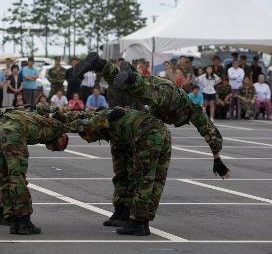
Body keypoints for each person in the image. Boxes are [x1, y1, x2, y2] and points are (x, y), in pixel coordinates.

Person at [72, 52, 231, 221]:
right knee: (146, 92)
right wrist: (217, 158)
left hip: (156, 84)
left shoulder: (159, 104)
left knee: (129, 86)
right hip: (170, 97)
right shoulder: (192, 108)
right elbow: (210, 131)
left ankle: (101, 65)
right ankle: (131, 77)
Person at [69, 108, 172, 236]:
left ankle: (138, 223)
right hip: (160, 133)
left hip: (148, 135)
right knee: (154, 180)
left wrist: (56, 120)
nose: (89, 140)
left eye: (88, 137)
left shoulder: (99, 121)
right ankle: (137, 219)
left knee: (144, 179)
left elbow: (81, 124)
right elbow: (122, 172)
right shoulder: (112, 130)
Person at [0, 109, 70, 235]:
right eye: (56, 148)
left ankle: (13, 220)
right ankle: (24, 222)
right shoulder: (56, 128)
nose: (53, 150)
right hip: (12, 131)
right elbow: (75, 123)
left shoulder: (39, 119)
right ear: (58, 139)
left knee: (3, 177)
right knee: (17, 178)